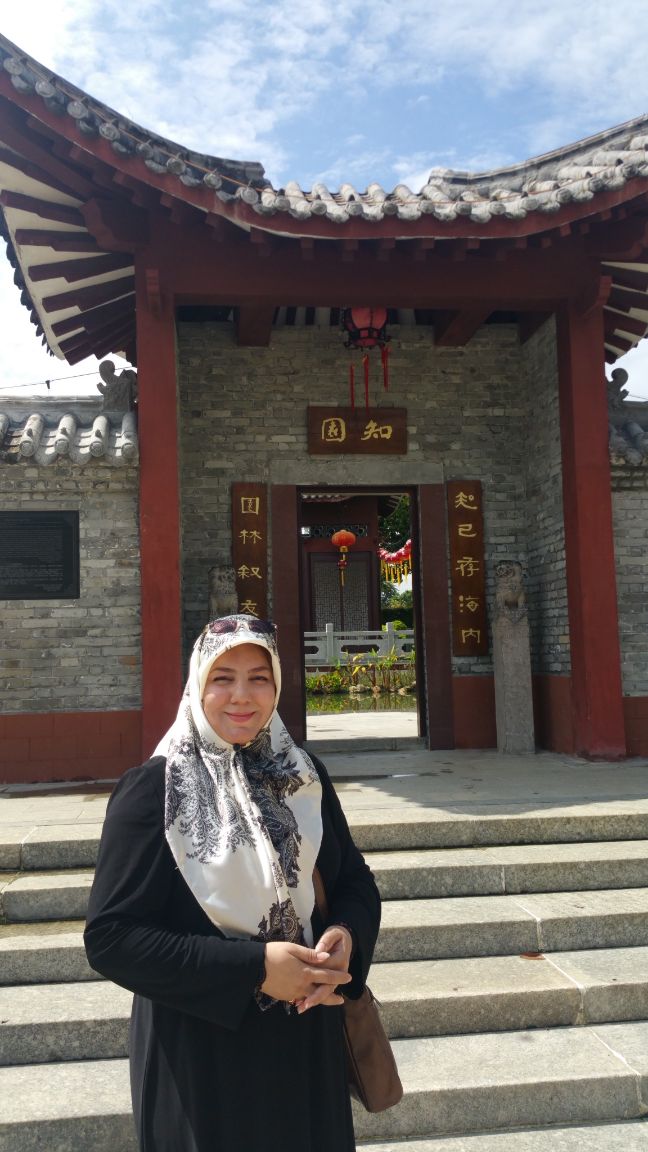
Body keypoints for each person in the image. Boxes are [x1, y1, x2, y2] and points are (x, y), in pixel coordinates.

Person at [84, 614, 381, 1152]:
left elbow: (353, 880)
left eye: (258, 678)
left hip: (306, 1047)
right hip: (202, 1059)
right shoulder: (155, 790)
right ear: (198, 685)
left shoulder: (302, 775)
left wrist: (345, 936)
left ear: (277, 686)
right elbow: (112, 938)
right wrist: (256, 968)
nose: (242, 695)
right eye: (223, 678)